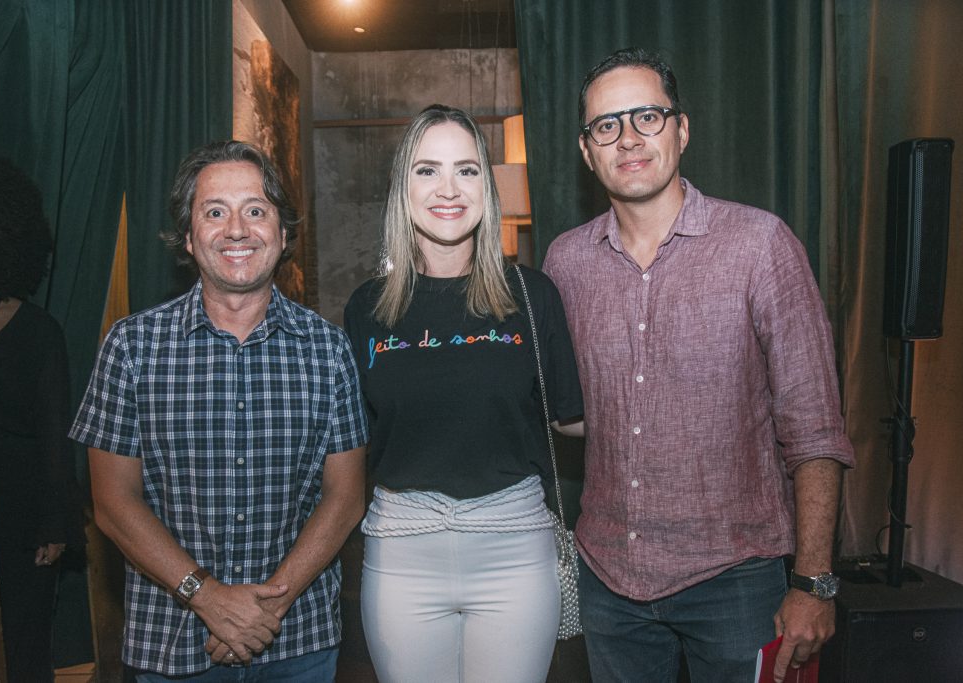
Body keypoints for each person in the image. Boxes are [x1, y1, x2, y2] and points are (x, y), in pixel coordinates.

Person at [542, 48, 856, 683]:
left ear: (681, 130)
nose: (628, 138)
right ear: (586, 151)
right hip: (608, 581)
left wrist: (814, 582)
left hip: (738, 582)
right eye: (607, 125)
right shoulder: (565, 263)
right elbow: (569, 411)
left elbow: (815, 426)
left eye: (647, 117)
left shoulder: (760, 245)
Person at [70, 140, 369, 681]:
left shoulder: (330, 349)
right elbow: (112, 502)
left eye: (256, 210)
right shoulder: (131, 346)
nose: (237, 229)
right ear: (188, 236)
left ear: (282, 233)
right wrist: (206, 597)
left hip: (297, 639)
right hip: (172, 642)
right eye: (214, 212)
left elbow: (345, 497)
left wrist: (267, 610)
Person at [343, 104, 585, 683]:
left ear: (487, 186)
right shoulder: (367, 308)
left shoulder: (532, 295)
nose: (448, 189)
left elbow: (575, 419)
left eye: (468, 170)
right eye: (427, 170)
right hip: (401, 554)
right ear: (404, 187)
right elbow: (347, 446)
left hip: (515, 554)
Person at [0, 147, 85, 682]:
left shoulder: (36, 332)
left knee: (25, 640)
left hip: (22, 517)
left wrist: (56, 523)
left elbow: (58, 436)